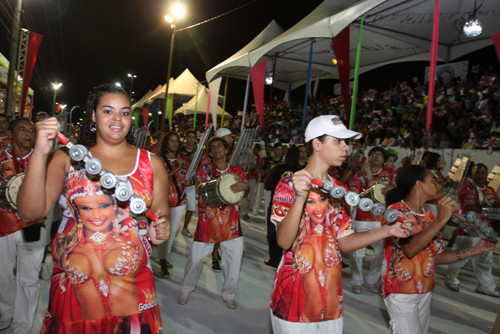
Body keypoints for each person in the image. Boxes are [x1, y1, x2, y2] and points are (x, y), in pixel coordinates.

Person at [17, 83, 170, 333]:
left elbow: (160, 224)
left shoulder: (152, 164)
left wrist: (160, 231)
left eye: (125, 112)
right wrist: (39, 153)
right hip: (74, 294)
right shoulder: (68, 158)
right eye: (108, 111)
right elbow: (30, 213)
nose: (117, 119)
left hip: (133, 294)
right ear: (93, 115)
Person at [269, 115, 410, 333]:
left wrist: (387, 230)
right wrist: (300, 197)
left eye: (346, 142)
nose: (346, 148)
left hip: (331, 300)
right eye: (338, 141)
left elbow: (343, 242)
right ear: (317, 144)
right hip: (295, 298)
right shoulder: (289, 183)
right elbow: (284, 241)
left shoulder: (338, 189)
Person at [381, 165, 495, 333]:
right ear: (419, 185)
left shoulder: (429, 216)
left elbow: (436, 257)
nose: (439, 185)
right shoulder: (396, 211)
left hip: (425, 289)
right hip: (401, 291)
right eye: (433, 180)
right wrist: (441, 220)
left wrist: (475, 250)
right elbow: (410, 249)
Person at [178, 136, 248, 309]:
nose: (216, 149)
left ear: (226, 150)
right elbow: (201, 189)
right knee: (195, 260)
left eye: (220, 146)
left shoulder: (237, 170)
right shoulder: (204, 169)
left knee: (233, 262)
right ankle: (186, 290)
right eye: (213, 147)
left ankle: (229, 294)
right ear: (209, 153)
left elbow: (245, 189)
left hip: (231, 225)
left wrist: (244, 187)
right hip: (207, 222)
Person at [0, 118, 44, 334]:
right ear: (10, 133)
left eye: (32, 130)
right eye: (22, 129)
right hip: (4, 224)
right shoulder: (1, 158)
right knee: (3, 275)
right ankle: (5, 312)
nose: (28, 134)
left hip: (33, 224)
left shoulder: (42, 159)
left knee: (29, 276)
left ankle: (22, 325)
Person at [445, 163, 500, 297]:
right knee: (461, 257)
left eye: (483, 173)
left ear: (487, 175)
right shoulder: (467, 188)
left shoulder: (490, 190)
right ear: (473, 174)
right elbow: (471, 207)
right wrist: (490, 208)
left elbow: (496, 209)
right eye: (477, 172)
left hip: (485, 230)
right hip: (469, 230)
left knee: (485, 261)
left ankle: (486, 286)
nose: (480, 175)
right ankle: (450, 278)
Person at [349, 146, 397, 294]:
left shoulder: (390, 174)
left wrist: (389, 189)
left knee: (380, 252)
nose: (376, 157)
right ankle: (357, 280)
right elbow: (354, 194)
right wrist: (369, 193)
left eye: (380, 155)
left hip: (382, 219)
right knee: (358, 252)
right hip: (362, 218)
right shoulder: (361, 175)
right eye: (373, 154)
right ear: (369, 158)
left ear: (383, 159)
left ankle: (372, 280)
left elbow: (397, 188)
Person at [158, 132, 191, 278]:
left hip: (179, 201)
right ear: (166, 144)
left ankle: (165, 257)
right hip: (163, 201)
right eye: (171, 141)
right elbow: (160, 179)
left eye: (177, 141)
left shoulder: (184, 160)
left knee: (171, 233)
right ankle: (162, 261)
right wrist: (176, 169)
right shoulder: (159, 160)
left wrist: (191, 181)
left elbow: (189, 178)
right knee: (162, 232)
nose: (175, 144)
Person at [263, 146, 301, 268]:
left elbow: (267, 186)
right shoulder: (302, 171)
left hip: (277, 206)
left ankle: (274, 259)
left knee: (273, 232)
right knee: (293, 234)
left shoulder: (277, 168)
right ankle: (289, 261)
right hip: (294, 208)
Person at [179, 129, 198, 237]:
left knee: (191, 207)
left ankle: (185, 227)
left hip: (191, 184)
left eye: (193, 137)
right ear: (186, 138)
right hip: (179, 183)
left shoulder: (198, 151)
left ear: (195, 139)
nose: (191, 139)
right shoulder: (179, 149)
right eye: (189, 137)